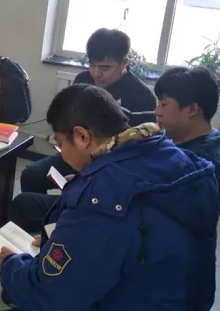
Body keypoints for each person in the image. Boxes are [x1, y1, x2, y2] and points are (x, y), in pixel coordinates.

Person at [0, 84, 219, 311]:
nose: (61, 152)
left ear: (82, 136)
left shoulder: (103, 197)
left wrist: (10, 266)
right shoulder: (181, 160)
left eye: (60, 143)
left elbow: (54, 297)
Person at [19, 28, 156, 195]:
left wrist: (89, 175)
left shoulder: (142, 96)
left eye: (105, 67)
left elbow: (139, 150)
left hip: (112, 166)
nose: (97, 73)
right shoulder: (83, 80)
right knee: (32, 175)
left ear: (124, 62)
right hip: (76, 154)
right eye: (92, 65)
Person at [154, 66, 220, 204]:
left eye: (164, 104)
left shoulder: (191, 166)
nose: (156, 111)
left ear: (192, 110)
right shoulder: (210, 139)